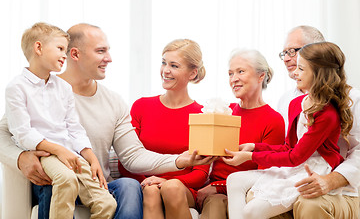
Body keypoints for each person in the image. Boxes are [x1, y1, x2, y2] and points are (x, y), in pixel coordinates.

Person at [0, 23, 213, 219]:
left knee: (129, 186)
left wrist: (179, 161)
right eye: (101, 51)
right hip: (56, 179)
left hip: (95, 183)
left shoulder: (113, 101)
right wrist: (20, 157)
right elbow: (6, 133)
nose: (109, 58)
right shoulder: (38, 90)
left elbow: (132, 156)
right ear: (75, 54)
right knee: (59, 185)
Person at [225, 42, 354, 219]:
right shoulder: (295, 104)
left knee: (251, 212)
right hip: (294, 165)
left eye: (301, 69)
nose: (294, 73)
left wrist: (250, 156)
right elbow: (288, 147)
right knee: (234, 180)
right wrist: (255, 147)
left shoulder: (327, 114)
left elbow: (295, 157)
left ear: (318, 74)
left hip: (313, 169)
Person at [5, 22, 117, 219]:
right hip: (46, 154)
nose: (65, 55)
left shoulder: (63, 87)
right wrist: (58, 150)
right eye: (60, 49)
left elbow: (74, 127)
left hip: (70, 153)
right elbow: (22, 132)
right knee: (66, 180)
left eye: (65, 50)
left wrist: (90, 157)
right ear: (38, 48)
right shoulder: (16, 88)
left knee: (106, 203)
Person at [118, 39, 211, 219]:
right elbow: (125, 161)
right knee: (151, 192)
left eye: (174, 65)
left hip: (183, 188)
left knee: (171, 188)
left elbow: (200, 173)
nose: (165, 70)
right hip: (146, 186)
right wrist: (147, 183)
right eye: (163, 63)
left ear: (192, 74)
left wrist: (166, 181)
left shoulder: (202, 114)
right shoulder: (141, 106)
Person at [277, 26, 360, 219]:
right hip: (296, 181)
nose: (287, 59)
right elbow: (288, 148)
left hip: (343, 189)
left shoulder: (353, 98)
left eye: (293, 51)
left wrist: (331, 181)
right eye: (284, 53)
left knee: (310, 205)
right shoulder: (287, 100)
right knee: (254, 197)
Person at [195, 49, 285, 219]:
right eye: (230, 73)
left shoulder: (273, 120)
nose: (233, 79)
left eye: (240, 71)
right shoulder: (224, 112)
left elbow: (265, 175)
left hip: (242, 192)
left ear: (261, 76)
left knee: (216, 203)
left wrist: (218, 187)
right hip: (211, 188)